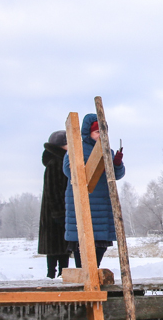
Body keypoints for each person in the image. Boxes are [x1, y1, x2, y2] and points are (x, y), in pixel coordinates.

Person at [63, 114, 125, 267]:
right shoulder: (76, 149)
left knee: (99, 245)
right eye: (97, 132)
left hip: (102, 205)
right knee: (82, 243)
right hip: (83, 202)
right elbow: (68, 171)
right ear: (88, 132)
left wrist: (117, 163)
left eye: (103, 132)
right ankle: (85, 279)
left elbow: (116, 175)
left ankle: (93, 276)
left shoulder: (107, 151)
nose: (101, 135)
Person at [38, 131, 73, 278]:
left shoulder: (59, 162)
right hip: (56, 212)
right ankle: (52, 275)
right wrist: (60, 213)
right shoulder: (55, 164)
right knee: (55, 247)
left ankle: (61, 274)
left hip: (59, 211)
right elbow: (53, 190)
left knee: (62, 248)